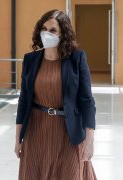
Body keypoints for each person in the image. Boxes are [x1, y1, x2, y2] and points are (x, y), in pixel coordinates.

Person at [14, 10, 97, 180]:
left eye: (52, 30)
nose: (46, 33)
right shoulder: (30, 59)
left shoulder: (77, 58)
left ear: (63, 34)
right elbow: (23, 101)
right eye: (43, 29)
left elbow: (87, 101)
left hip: (68, 132)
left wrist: (89, 139)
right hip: (36, 130)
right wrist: (18, 138)